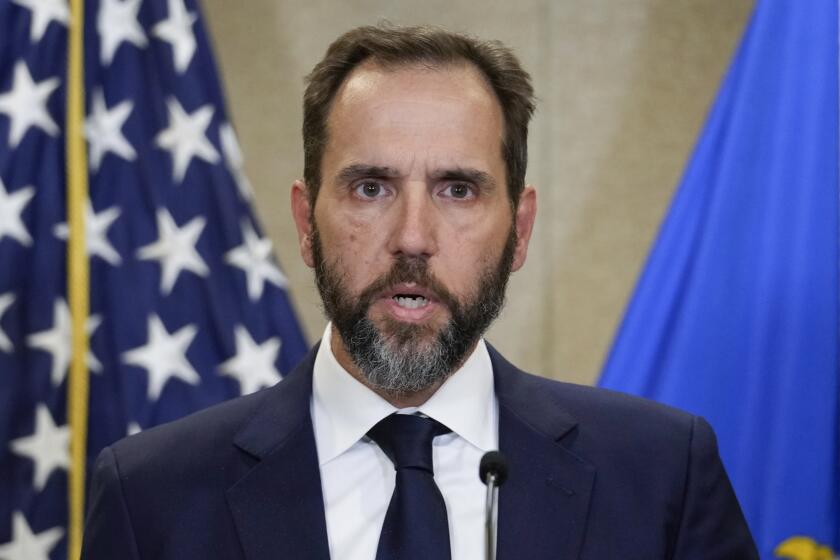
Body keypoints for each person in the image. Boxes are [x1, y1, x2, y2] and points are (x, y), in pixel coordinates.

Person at [81, 24, 758, 559]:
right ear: (305, 223)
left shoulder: (661, 476)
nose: (412, 236)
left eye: (457, 189)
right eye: (370, 187)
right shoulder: (154, 498)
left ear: (519, 231)